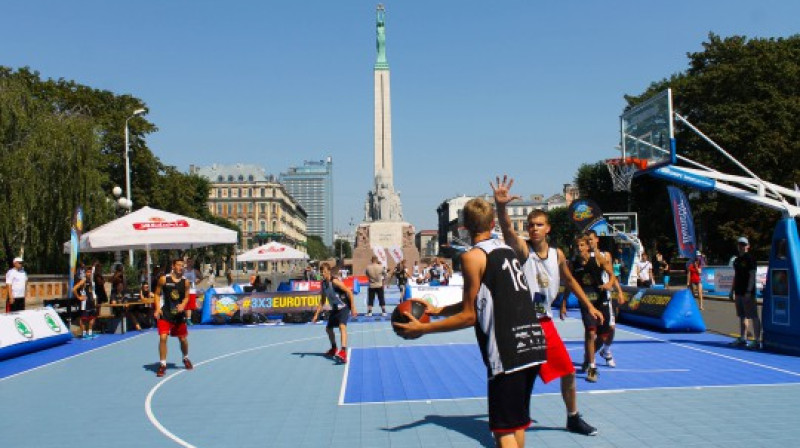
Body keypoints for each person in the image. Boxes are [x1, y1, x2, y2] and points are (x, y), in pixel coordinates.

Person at [394, 197, 548, 448]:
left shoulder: (472, 257)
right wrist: (440, 309)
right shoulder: (507, 249)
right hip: (533, 342)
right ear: (492, 222)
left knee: (503, 431)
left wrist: (424, 328)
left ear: (463, 226)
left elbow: (469, 316)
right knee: (516, 423)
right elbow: (479, 301)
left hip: (507, 349)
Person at [492, 177, 601, 436]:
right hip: (523, 323)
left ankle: (573, 417)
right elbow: (508, 230)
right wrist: (500, 207)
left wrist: (588, 306)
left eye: (539, 225)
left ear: (548, 228)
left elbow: (569, 280)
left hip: (545, 322)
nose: (533, 229)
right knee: (520, 380)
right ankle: (511, 423)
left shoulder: (557, 254)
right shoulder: (522, 250)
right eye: (530, 225)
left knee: (568, 372)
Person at [570, 235, 624, 382]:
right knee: (590, 332)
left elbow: (612, 275)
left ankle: (590, 356)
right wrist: (563, 303)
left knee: (605, 333)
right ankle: (592, 368)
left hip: (602, 300)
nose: (580, 249)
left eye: (582, 245)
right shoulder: (574, 263)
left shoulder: (601, 257)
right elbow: (571, 282)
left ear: (588, 245)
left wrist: (611, 286)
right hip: (587, 301)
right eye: (578, 246)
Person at [586, 229, 626, 369]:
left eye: (591, 239)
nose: (589, 242)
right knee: (591, 332)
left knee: (611, 328)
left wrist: (619, 291)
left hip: (605, 297)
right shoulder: (583, 256)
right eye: (587, 240)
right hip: (590, 299)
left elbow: (612, 275)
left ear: (597, 239)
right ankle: (590, 362)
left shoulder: (605, 255)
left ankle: (605, 350)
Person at [152, 259, 193, 377]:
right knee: (163, 337)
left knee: (183, 339)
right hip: (166, 313)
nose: (181, 267)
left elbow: (186, 297)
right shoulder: (164, 279)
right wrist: (157, 308)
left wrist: (183, 305)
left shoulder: (185, 282)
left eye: (183, 265)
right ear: (173, 266)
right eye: (179, 265)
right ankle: (163, 364)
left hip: (179, 315)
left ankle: (185, 358)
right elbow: (157, 293)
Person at [312, 262, 357, 363]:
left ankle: (343, 351)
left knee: (342, 326)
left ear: (328, 271)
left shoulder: (335, 281)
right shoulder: (323, 284)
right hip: (335, 308)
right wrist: (316, 314)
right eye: (321, 272)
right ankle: (334, 348)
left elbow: (349, 291)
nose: (322, 274)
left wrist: (353, 307)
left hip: (344, 306)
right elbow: (322, 301)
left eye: (324, 272)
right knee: (328, 329)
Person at [730, 236, 761, 349]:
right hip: (738, 292)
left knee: (753, 316)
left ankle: (757, 340)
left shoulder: (750, 259)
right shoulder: (737, 260)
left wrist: (749, 291)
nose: (741, 246)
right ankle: (743, 338)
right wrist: (731, 290)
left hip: (748, 293)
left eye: (743, 244)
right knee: (742, 316)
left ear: (748, 246)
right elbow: (736, 276)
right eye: (740, 244)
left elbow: (752, 276)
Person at [72, 264, 97, 339]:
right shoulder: (84, 280)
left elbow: (92, 291)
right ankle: (84, 334)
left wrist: (95, 299)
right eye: (88, 272)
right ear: (85, 273)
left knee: (92, 317)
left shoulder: (92, 281)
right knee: (83, 319)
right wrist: (79, 297)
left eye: (90, 272)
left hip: (91, 302)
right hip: (85, 303)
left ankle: (90, 332)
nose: (89, 273)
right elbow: (74, 289)